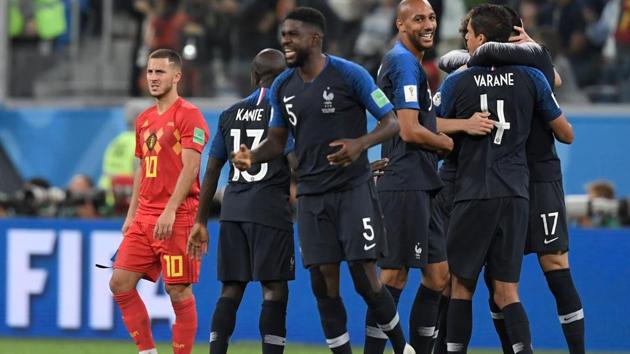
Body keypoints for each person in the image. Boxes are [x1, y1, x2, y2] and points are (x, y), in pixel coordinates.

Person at [232, 7, 415, 354]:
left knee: (364, 277)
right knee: (323, 282)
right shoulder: (282, 86)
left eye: (292, 35)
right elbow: (276, 139)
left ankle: (402, 346)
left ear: (314, 39)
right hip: (312, 197)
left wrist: (360, 145)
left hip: (352, 190)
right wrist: (250, 157)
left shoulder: (350, 75)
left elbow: (391, 122)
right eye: (283, 35)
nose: (285, 41)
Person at [433, 4, 573, 353]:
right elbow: (566, 133)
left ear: (480, 38)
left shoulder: (458, 81)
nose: (464, 40)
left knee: (460, 286)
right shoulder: (532, 78)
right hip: (516, 194)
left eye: (467, 35)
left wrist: (463, 125)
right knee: (507, 291)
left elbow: (423, 125)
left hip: (473, 191)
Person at [186, 48, 295, 354]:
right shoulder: (283, 113)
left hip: (233, 209)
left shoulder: (229, 114)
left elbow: (211, 172)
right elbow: (297, 162)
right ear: (285, 78)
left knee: (231, 288)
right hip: (270, 209)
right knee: (274, 289)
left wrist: (200, 221)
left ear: (253, 76)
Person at [363, 1, 453, 354]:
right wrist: (445, 141)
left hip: (421, 180)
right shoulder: (401, 62)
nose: (428, 24)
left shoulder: (410, 63)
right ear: (400, 24)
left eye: (431, 17)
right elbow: (410, 129)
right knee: (393, 276)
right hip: (403, 181)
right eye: (418, 19)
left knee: (438, 276)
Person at [108, 48, 209, 354]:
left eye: (160, 72)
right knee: (119, 283)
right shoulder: (144, 119)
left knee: (177, 291)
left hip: (178, 216)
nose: (153, 78)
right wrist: (131, 213)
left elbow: (191, 167)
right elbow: (141, 167)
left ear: (176, 76)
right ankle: (148, 352)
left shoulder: (189, 115)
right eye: (150, 72)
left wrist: (170, 210)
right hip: (145, 217)